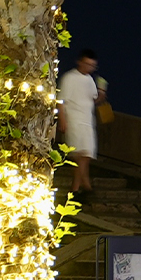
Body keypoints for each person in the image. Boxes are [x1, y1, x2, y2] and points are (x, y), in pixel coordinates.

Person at [58, 51, 104, 193]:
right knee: (81, 155)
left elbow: (93, 99)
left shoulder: (90, 79)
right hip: (74, 120)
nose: (89, 67)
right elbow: (61, 101)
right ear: (80, 62)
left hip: (88, 121)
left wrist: (101, 95)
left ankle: (84, 186)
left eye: (92, 65)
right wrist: (62, 120)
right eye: (87, 64)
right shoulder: (69, 78)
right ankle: (77, 188)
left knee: (86, 155)